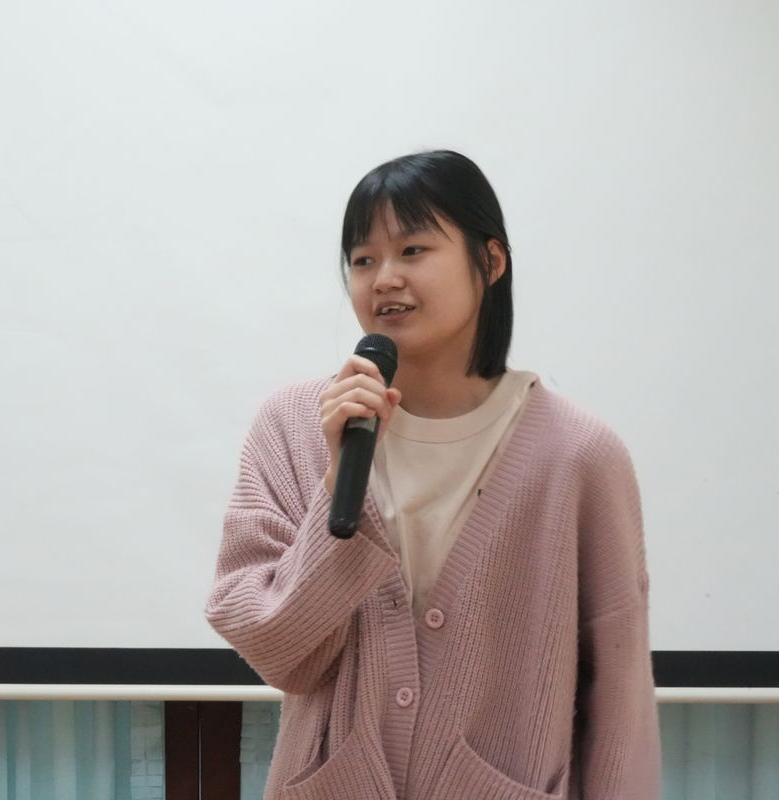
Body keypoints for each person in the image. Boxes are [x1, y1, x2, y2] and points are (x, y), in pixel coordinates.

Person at [203, 150, 661, 799]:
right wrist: (336, 487)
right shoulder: (294, 426)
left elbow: (619, 699)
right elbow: (277, 650)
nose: (384, 279)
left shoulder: (579, 454)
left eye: (413, 250)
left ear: (490, 262)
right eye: (363, 260)